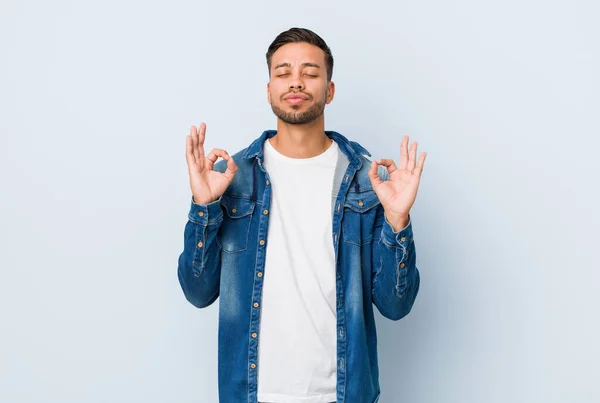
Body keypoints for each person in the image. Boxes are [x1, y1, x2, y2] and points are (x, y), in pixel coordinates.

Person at [178, 27, 426, 403]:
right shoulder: (233, 179)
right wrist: (204, 208)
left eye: (310, 73)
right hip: (253, 393)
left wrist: (397, 220)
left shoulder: (366, 179)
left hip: (342, 394)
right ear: (269, 90)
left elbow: (396, 306)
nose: (296, 82)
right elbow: (197, 292)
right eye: (283, 73)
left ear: (329, 90)